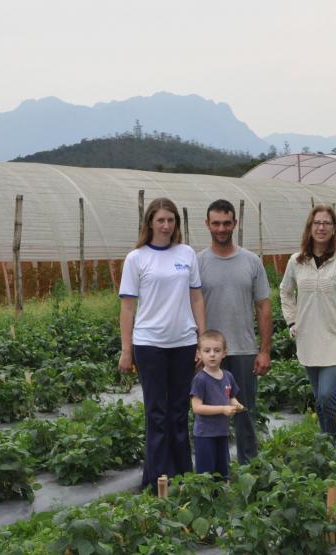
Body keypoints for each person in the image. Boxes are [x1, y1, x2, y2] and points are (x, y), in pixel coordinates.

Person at [118, 197, 206, 492]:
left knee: (179, 411)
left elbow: (196, 298)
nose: (166, 225)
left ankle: (183, 475)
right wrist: (127, 349)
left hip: (183, 342)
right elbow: (128, 307)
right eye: (161, 220)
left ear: (176, 224)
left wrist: (201, 342)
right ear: (150, 223)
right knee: (156, 412)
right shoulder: (137, 258)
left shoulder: (187, 254)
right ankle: (155, 479)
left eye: (171, 220)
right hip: (149, 343)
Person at [279, 204, 336, 436]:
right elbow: (285, 291)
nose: (321, 227)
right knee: (319, 400)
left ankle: (335, 444)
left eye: (327, 223)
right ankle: (330, 444)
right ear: (309, 227)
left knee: (327, 396)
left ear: (334, 229)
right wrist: (292, 321)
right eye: (317, 223)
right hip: (308, 340)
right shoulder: (296, 261)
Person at [199, 199, 272, 464]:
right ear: (207, 224)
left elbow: (263, 307)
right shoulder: (198, 263)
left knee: (244, 413)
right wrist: (198, 349)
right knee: (209, 414)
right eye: (216, 223)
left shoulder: (251, 261)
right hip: (209, 354)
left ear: (235, 224)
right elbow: (189, 307)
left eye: (226, 223)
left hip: (243, 349)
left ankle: (249, 467)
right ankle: (214, 471)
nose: (221, 228)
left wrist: (264, 351)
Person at [190, 329, 244, 477]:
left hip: (222, 432)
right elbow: (197, 407)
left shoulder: (228, 376)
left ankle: (221, 498)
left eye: (217, 350)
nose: (212, 354)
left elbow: (231, 396)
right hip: (205, 434)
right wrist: (222, 409)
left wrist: (236, 404)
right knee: (206, 474)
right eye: (207, 351)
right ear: (199, 354)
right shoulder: (200, 379)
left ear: (224, 353)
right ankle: (206, 499)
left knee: (222, 471)